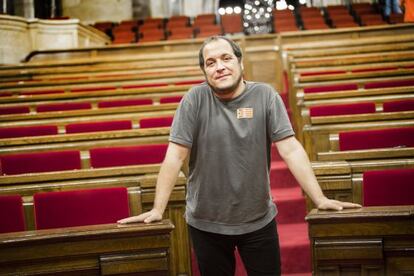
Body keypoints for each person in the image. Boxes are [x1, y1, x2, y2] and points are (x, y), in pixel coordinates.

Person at [118, 36, 361, 275]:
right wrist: (158, 209)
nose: (220, 67)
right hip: (206, 223)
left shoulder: (266, 96)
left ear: (240, 63)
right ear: (204, 71)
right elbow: (175, 156)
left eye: (226, 58)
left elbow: (291, 149)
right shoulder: (193, 99)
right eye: (210, 62)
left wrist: (319, 198)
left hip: (258, 219)